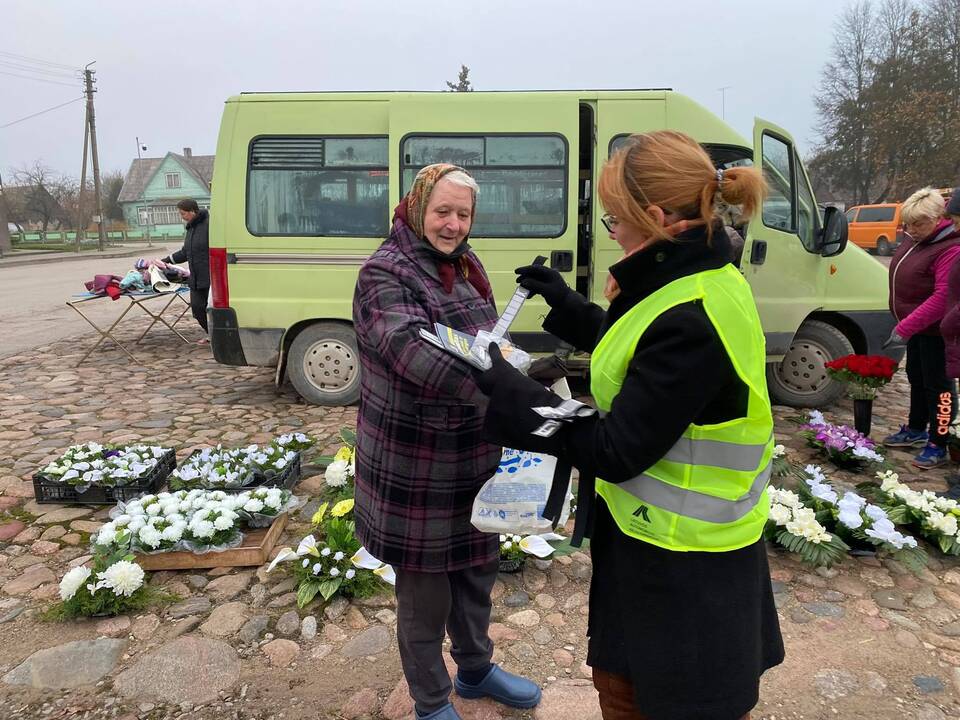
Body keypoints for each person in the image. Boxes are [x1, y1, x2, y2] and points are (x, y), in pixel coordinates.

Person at [474, 130, 784, 720]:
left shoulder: (692, 312)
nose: (610, 231)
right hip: (649, 541)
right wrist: (565, 305)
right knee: (620, 688)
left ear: (658, 217)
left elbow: (617, 448)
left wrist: (513, 393)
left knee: (650, 703)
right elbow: (639, 353)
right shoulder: (692, 276)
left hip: (685, 567)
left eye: (615, 218)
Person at [351, 163, 541, 720]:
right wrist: (506, 392)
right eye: (443, 212)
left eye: (463, 214)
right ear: (416, 208)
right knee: (425, 594)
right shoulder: (385, 273)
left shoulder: (464, 263)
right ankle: (431, 701)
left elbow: (483, 341)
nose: (453, 224)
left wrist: (521, 370)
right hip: (416, 459)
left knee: (477, 571)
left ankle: (476, 671)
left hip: (471, 450)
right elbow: (412, 353)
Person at [882, 187, 960, 468]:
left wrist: (906, 326)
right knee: (916, 377)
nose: (911, 229)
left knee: (939, 387)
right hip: (916, 328)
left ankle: (939, 441)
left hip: (938, 330)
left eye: (918, 224)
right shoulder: (919, 239)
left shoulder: (949, 248)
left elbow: (942, 297)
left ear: (939, 217)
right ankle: (916, 428)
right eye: (907, 224)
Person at [160, 199, 210, 341]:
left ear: (192, 211)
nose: (181, 216)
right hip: (195, 278)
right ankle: (211, 334)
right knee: (197, 309)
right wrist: (166, 261)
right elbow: (185, 252)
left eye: (183, 213)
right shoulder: (190, 228)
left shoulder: (208, 225)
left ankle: (218, 337)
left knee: (213, 310)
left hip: (210, 276)